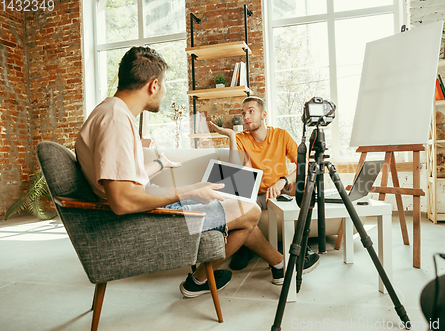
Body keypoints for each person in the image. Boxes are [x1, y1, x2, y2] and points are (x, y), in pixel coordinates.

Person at [75, 47, 287, 299]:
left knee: (238, 209)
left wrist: (161, 165)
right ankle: (207, 278)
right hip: (150, 221)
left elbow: (124, 180)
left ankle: (278, 264)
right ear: (153, 85)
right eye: (164, 85)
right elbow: (122, 201)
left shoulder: (112, 113)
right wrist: (190, 190)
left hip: (150, 211)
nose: (163, 92)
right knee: (249, 210)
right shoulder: (116, 121)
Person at [209, 96, 320, 273]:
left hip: (282, 187)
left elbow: (305, 164)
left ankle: (301, 244)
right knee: (239, 203)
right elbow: (234, 172)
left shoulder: (281, 135)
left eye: (251, 111)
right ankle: (245, 247)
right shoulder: (240, 138)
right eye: (243, 113)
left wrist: (284, 180)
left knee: (308, 186)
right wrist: (230, 136)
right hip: (254, 194)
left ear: (264, 114)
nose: (246, 116)